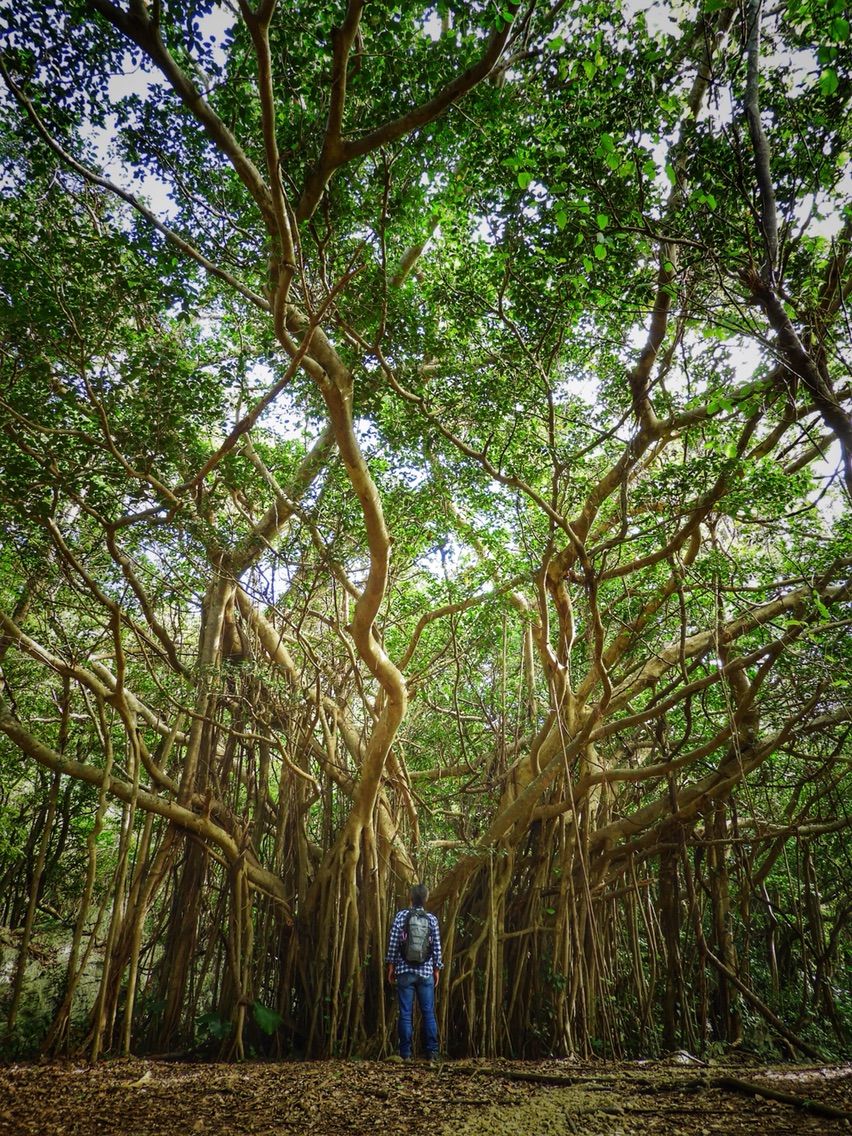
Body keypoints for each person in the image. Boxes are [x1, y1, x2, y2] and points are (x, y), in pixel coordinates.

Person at [385, 882, 443, 1060]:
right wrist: (436, 969)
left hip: (404, 972)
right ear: (426, 899)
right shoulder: (431, 919)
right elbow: (437, 947)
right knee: (428, 1013)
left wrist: (391, 966)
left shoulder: (401, 916)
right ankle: (432, 1053)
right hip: (426, 973)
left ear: (410, 898)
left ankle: (405, 1054)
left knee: (405, 1013)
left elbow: (393, 943)